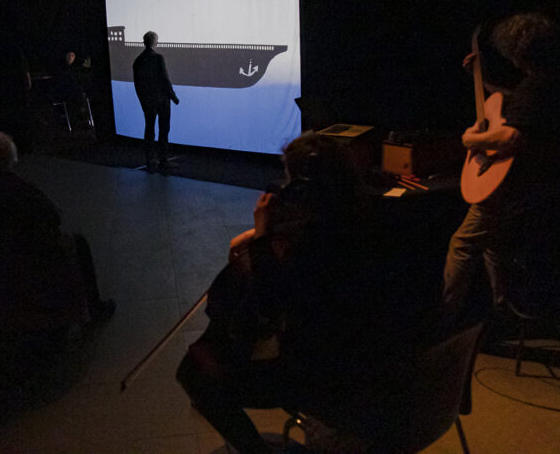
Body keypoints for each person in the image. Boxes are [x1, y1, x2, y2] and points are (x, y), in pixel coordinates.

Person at [177, 132, 433, 453]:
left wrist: (262, 235)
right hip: (387, 371)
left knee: (194, 372)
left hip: (330, 380)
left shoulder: (303, 249)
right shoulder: (371, 222)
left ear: (300, 188)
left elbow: (257, 316)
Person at [442, 12, 560, 324]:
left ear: (517, 50)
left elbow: (511, 136)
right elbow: (518, 106)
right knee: (493, 244)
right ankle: (503, 310)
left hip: (515, 185)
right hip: (540, 184)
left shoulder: (537, 86)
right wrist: (480, 79)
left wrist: (471, 139)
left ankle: (447, 319)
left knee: (462, 244)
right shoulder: (554, 82)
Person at [0, 130, 115, 336]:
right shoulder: (19, 189)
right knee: (78, 243)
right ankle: (92, 308)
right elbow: (53, 216)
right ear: (9, 157)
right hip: (28, 255)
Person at [132, 31, 179, 172]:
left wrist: (142, 101)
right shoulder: (158, 58)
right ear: (154, 42)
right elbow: (165, 80)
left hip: (147, 101)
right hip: (162, 101)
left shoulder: (138, 61)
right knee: (163, 130)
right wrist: (174, 97)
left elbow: (137, 85)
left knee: (149, 130)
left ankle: (150, 160)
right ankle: (163, 160)